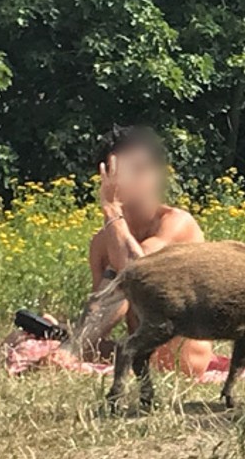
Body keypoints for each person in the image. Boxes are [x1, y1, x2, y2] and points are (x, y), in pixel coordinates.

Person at [55, 125, 214, 375]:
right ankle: (65, 347)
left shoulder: (176, 223)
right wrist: (72, 340)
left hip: (180, 360)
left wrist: (110, 207)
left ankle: (70, 349)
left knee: (122, 276)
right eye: (122, 172)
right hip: (140, 354)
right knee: (37, 339)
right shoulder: (101, 242)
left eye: (141, 170)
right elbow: (103, 308)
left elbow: (136, 268)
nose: (133, 180)